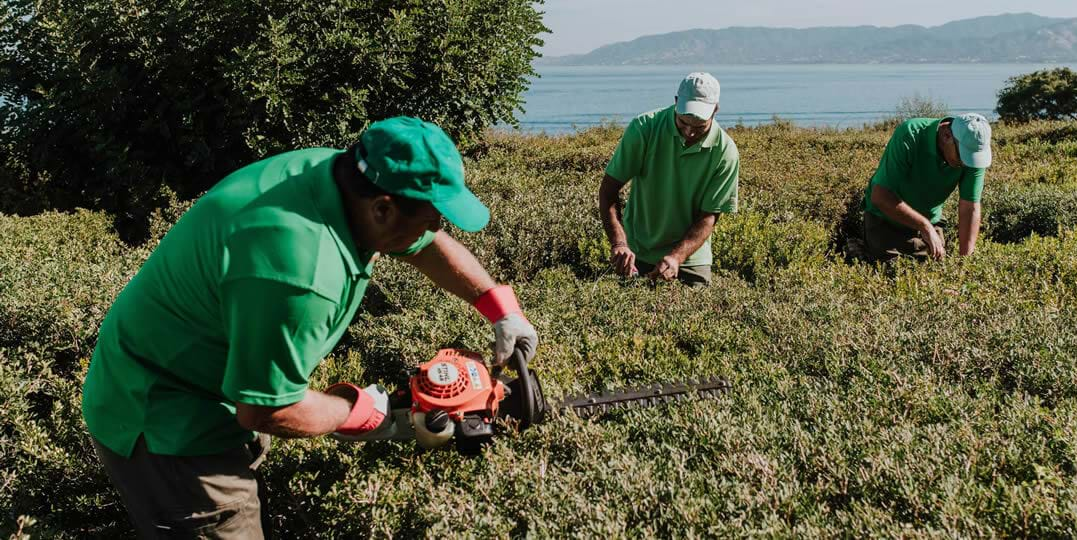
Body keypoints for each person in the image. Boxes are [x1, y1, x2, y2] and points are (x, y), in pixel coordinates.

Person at [81, 117, 537, 538]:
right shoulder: (298, 273)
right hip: (164, 421)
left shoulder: (334, 174)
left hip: (201, 369)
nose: (439, 225)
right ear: (383, 209)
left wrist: (499, 307)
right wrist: (365, 412)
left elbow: (424, 242)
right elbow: (262, 411)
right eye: (432, 214)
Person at [598, 72, 740, 286]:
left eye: (699, 126)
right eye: (683, 122)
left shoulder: (725, 152)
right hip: (637, 252)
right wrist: (619, 243)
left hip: (691, 258)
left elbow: (708, 217)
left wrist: (677, 257)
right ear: (675, 102)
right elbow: (608, 190)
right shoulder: (644, 128)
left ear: (716, 109)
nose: (690, 132)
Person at [860, 113, 992, 262]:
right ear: (947, 136)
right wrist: (925, 227)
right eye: (962, 157)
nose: (966, 164)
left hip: (930, 221)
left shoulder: (972, 153)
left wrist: (965, 262)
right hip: (885, 220)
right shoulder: (910, 133)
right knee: (893, 269)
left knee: (936, 268)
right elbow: (880, 196)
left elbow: (970, 207)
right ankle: (858, 247)